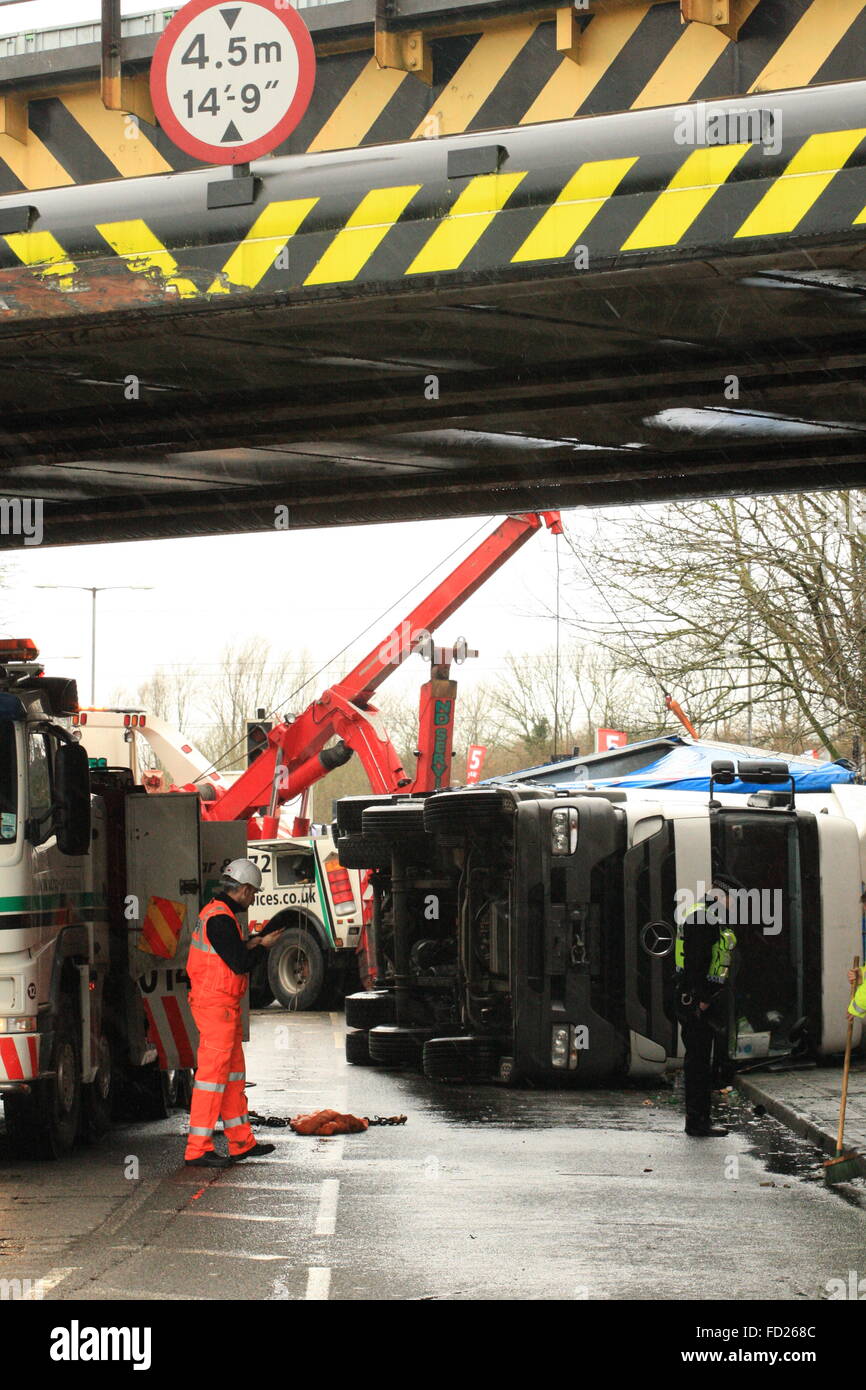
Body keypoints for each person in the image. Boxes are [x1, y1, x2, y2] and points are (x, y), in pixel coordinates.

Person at [184, 858, 283, 1168]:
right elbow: (239, 962)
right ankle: (197, 1149)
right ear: (241, 889)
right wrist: (263, 946)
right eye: (252, 893)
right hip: (216, 1007)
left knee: (231, 1077)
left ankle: (241, 1142)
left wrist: (253, 942)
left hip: (221, 1006)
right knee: (212, 1079)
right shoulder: (220, 919)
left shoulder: (217, 914)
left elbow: (230, 953)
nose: (252, 899)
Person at [675, 875, 742, 1138]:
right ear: (723, 896)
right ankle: (697, 1122)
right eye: (735, 900)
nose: (736, 906)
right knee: (699, 1064)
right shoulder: (703, 918)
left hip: (696, 999)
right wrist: (701, 998)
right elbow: (696, 962)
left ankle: (699, 1119)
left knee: (700, 1061)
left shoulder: (705, 915)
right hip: (696, 1002)